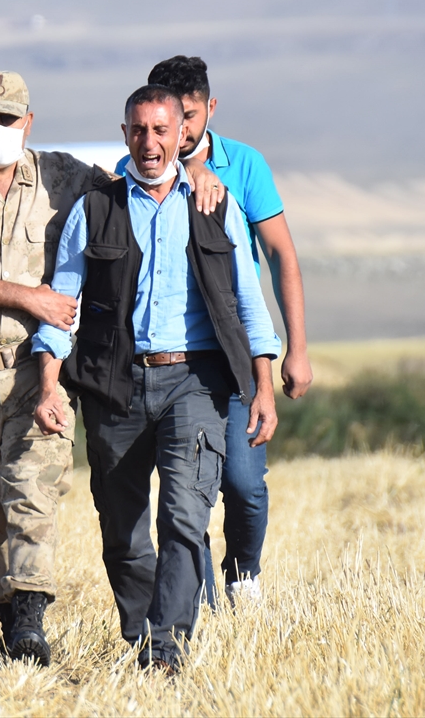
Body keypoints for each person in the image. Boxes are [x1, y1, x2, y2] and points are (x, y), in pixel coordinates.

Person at [0, 70, 225, 667]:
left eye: (8, 119)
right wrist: (29, 296)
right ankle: (11, 624)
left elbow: (145, 182)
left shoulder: (64, 175)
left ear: (28, 122)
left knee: (32, 490)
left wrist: (198, 171)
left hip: (35, 369)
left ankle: (31, 627)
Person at [33, 85, 280, 672]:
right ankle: (142, 633)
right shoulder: (94, 211)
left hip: (194, 381)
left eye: (161, 130)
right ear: (125, 135)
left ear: (180, 135)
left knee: (185, 516)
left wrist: (262, 386)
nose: (150, 142)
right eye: (138, 131)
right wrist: (48, 383)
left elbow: (248, 299)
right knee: (122, 527)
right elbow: (61, 302)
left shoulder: (216, 206)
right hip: (113, 384)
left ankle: (167, 646)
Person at [115, 56, 312, 605]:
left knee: (244, 485)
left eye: (192, 117)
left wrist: (295, 349)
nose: (183, 132)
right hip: (180, 361)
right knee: (186, 488)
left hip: (238, 349)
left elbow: (279, 257)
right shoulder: (137, 165)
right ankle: (192, 603)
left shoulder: (243, 166)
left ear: (206, 110)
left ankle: (243, 570)